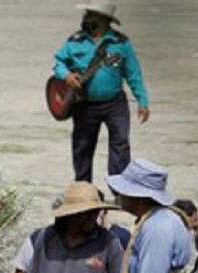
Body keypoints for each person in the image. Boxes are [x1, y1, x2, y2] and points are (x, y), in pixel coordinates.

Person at [54, 1, 150, 182]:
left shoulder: (121, 43)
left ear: (105, 19)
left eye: (91, 15)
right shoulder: (75, 41)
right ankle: (83, 188)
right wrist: (66, 75)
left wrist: (142, 101)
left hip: (115, 104)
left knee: (120, 145)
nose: (86, 18)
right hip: (84, 105)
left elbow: (133, 73)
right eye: (86, 14)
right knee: (82, 147)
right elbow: (59, 62)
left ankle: (119, 187)